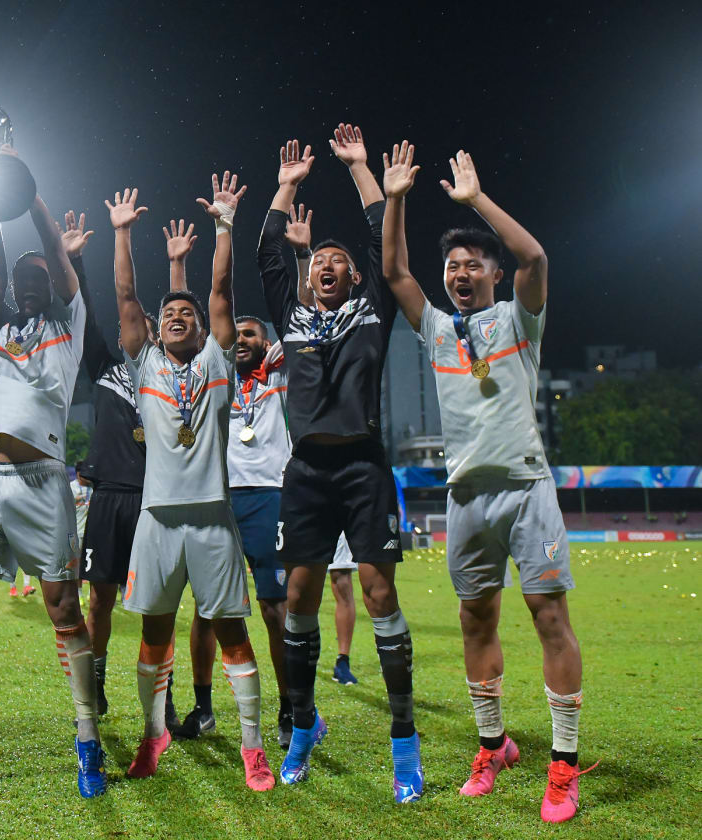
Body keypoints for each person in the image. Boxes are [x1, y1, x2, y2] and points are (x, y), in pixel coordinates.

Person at [380, 141, 588, 822]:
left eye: (473, 264)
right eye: (452, 266)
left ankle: (563, 764)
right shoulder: (438, 330)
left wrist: (475, 202)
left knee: (549, 618)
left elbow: (537, 258)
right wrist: (396, 198)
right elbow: (394, 271)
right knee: (476, 619)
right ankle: (493, 746)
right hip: (466, 496)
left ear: (494, 274)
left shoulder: (520, 319)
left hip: (526, 489)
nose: (460, 272)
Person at [258, 128, 421, 802]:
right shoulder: (293, 318)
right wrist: (285, 186)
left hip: (362, 468)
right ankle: (301, 729)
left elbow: (386, 245)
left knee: (380, 594)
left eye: (338, 261)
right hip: (305, 474)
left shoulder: (371, 311)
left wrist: (361, 170)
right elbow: (268, 253)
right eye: (319, 260)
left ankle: (404, 744)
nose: (326, 265)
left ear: (352, 277)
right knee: (298, 598)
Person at [0, 179, 105, 799]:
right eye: (21, 278)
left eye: (40, 276)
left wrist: (27, 197)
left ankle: (87, 737)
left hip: (42, 481)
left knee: (63, 609)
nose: (29, 283)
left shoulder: (69, 321)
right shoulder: (1, 327)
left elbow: (58, 258)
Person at [109, 174, 275, 792]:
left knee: (231, 632)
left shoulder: (214, 363)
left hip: (211, 518)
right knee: (154, 633)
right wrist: (122, 234)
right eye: (169, 314)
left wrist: (224, 225)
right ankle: (154, 734)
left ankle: (253, 746)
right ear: (157, 332)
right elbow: (127, 296)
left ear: (205, 334)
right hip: (157, 519)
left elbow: (221, 291)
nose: (177, 317)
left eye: (188, 314)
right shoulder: (146, 364)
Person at [70, 210, 176, 724]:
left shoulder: (169, 377)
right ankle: (96, 686)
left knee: (159, 606)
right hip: (110, 496)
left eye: (143, 325)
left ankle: (163, 696)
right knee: (100, 603)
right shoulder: (105, 369)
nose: (134, 330)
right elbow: (85, 314)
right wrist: (75, 261)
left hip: (156, 499)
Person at [173, 314, 293, 750]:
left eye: (250, 335)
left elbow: (299, 325)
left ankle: (290, 709)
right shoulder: (216, 378)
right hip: (218, 496)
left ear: (266, 341)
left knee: (275, 609)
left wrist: (286, 348)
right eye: (236, 334)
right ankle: (203, 708)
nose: (241, 340)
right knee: (207, 609)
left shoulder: (280, 376)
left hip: (269, 496)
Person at [328, 533, 360, 685]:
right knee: (301, 584)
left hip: (338, 522)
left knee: (342, 581)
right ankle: (298, 655)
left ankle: (342, 661)